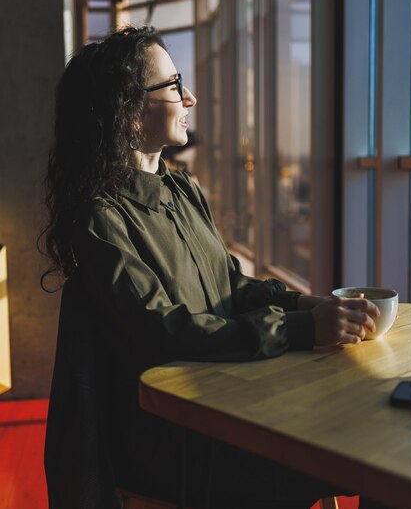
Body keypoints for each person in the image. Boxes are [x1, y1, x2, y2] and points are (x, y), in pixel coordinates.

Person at [41, 26, 385, 509]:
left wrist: (306, 303)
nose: (191, 98)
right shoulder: (100, 219)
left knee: (371, 433)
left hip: (227, 403)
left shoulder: (183, 191)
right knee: (369, 453)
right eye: (175, 85)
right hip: (177, 441)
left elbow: (232, 286)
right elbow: (164, 331)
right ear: (129, 113)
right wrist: (302, 328)